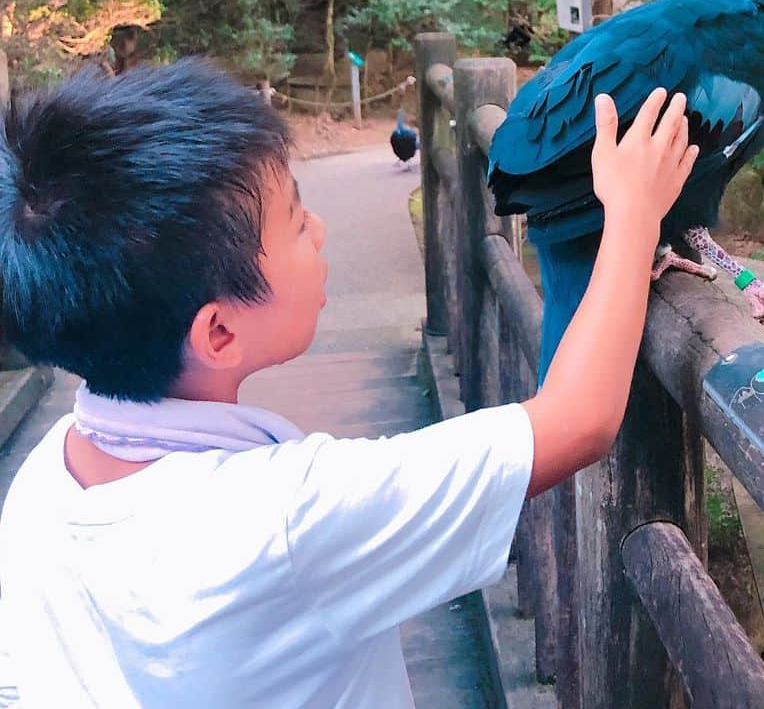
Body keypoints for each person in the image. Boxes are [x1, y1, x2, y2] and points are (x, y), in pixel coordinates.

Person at [0, 59, 696, 707]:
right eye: (297, 220)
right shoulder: (286, 521)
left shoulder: (42, 479)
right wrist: (633, 214)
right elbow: (577, 420)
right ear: (218, 334)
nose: (322, 231)